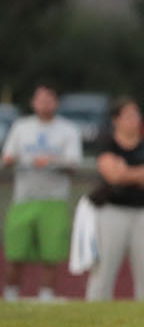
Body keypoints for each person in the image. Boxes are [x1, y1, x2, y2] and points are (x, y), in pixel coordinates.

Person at [2, 82, 83, 301]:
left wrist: (52, 161)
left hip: (53, 199)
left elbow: (74, 164)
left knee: (51, 253)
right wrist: (15, 160)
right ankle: (10, 295)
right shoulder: (21, 126)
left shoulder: (67, 129)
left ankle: (46, 296)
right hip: (24, 199)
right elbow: (8, 157)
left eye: (49, 99)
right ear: (33, 103)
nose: (44, 104)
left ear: (55, 103)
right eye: (40, 99)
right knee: (15, 252)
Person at [86, 96, 144, 301]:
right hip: (114, 212)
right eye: (128, 115)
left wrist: (127, 172)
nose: (134, 120)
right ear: (116, 119)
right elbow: (113, 175)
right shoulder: (108, 145)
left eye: (136, 115)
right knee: (104, 268)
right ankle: (95, 310)